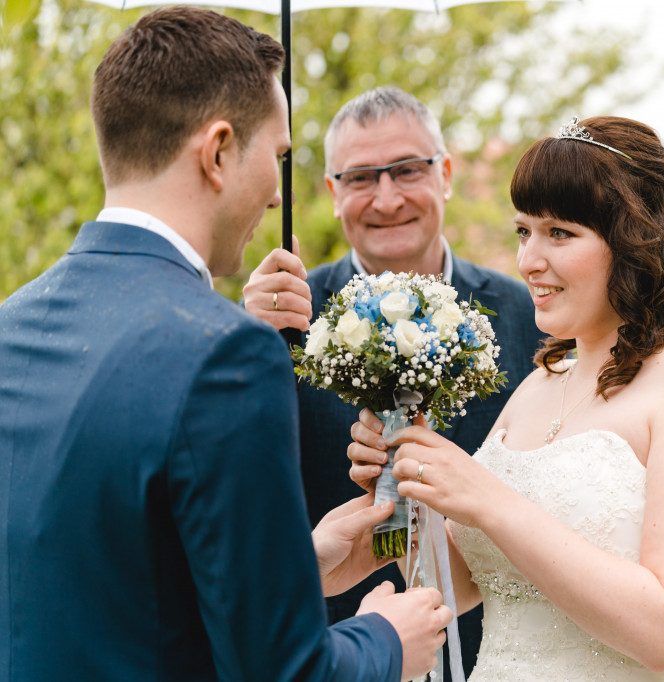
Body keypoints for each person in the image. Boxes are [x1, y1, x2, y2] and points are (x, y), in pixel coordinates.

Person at [0, 8, 451, 681]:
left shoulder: (13, 321)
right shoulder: (226, 354)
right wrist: (386, 639)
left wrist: (302, 556)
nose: (276, 195)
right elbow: (286, 672)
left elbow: (114, 575)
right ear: (216, 153)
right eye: (276, 156)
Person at [348, 116, 664, 680]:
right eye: (524, 231)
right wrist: (404, 493)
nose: (528, 260)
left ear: (634, 242)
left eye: (559, 233)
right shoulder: (536, 387)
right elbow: (463, 584)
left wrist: (489, 500)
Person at [243, 87, 544, 675]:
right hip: (343, 653)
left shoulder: (528, 315)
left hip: (500, 652)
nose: (387, 198)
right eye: (360, 178)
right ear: (332, 193)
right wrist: (242, 341)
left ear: (446, 176)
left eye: (407, 170)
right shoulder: (285, 321)